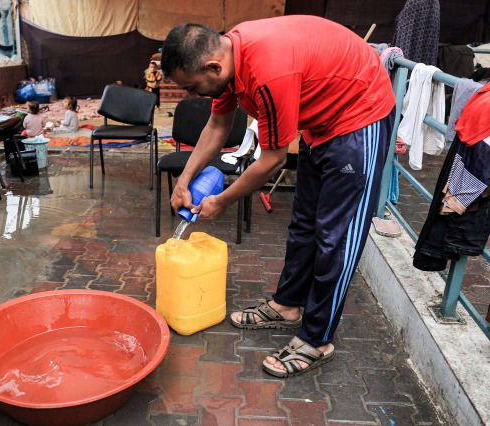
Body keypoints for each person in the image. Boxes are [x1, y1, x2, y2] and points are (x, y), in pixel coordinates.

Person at [161, 16, 395, 377]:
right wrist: (184, 180)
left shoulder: (267, 73)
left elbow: (272, 160)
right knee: (303, 225)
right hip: (321, 122)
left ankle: (317, 339)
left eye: (193, 88)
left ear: (213, 66)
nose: (193, 95)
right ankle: (287, 304)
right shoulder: (227, 63)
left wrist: (222, 200)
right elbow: (218, 126)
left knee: (336, 238)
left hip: (359, 117)